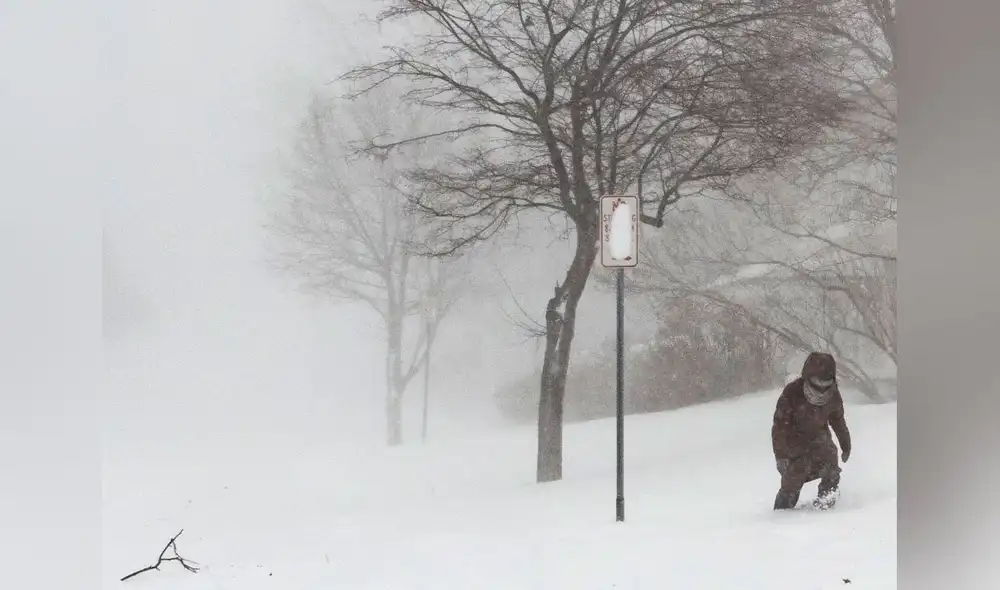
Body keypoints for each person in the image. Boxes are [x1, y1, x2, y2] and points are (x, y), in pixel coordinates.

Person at [771, 352, 852, 510]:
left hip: (820, 440)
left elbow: (837, 420)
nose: (821, 388)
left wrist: (845, 443)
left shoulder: (833, 394)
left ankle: (826, 503)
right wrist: (780, 455)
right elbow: (779, 426)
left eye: (826, 383)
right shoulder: (792, 393)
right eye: (817, 382)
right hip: (794, 442)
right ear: (807, 377)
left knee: (831, 468)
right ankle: (781, 515)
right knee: (793, 481)